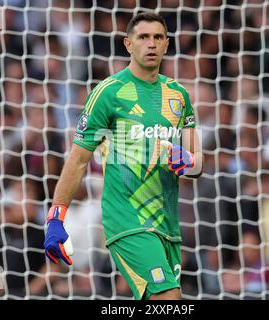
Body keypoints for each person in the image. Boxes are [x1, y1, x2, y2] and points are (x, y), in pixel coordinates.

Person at [43, 12, 202, 300]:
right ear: (128, 44)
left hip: (168, 226)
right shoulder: (108, 93)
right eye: (143, 37)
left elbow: (197, 161)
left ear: (167, 44)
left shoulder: (178, 96)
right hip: (127, 222)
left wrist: (189, 162)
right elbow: (78, 159)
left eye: (158, 37)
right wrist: (56, 218)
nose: (151, 44)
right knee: (169, 299)